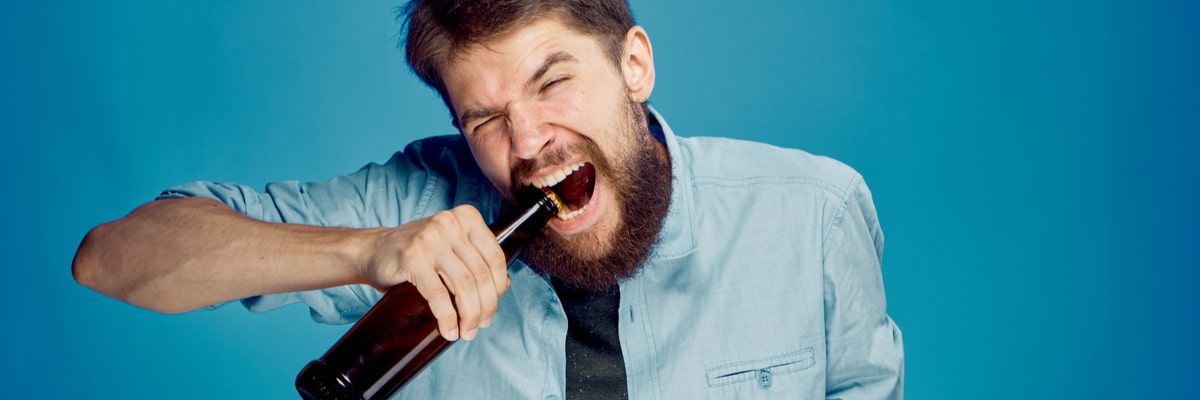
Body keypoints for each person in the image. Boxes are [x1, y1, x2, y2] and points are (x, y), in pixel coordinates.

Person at [72, 0, 904, 398]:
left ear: (634, 67)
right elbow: (111, 259)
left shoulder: (814, 216)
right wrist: (368, 252)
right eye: (488, 118)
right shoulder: (415, 204)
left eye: (554, 83)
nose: (532, 142)